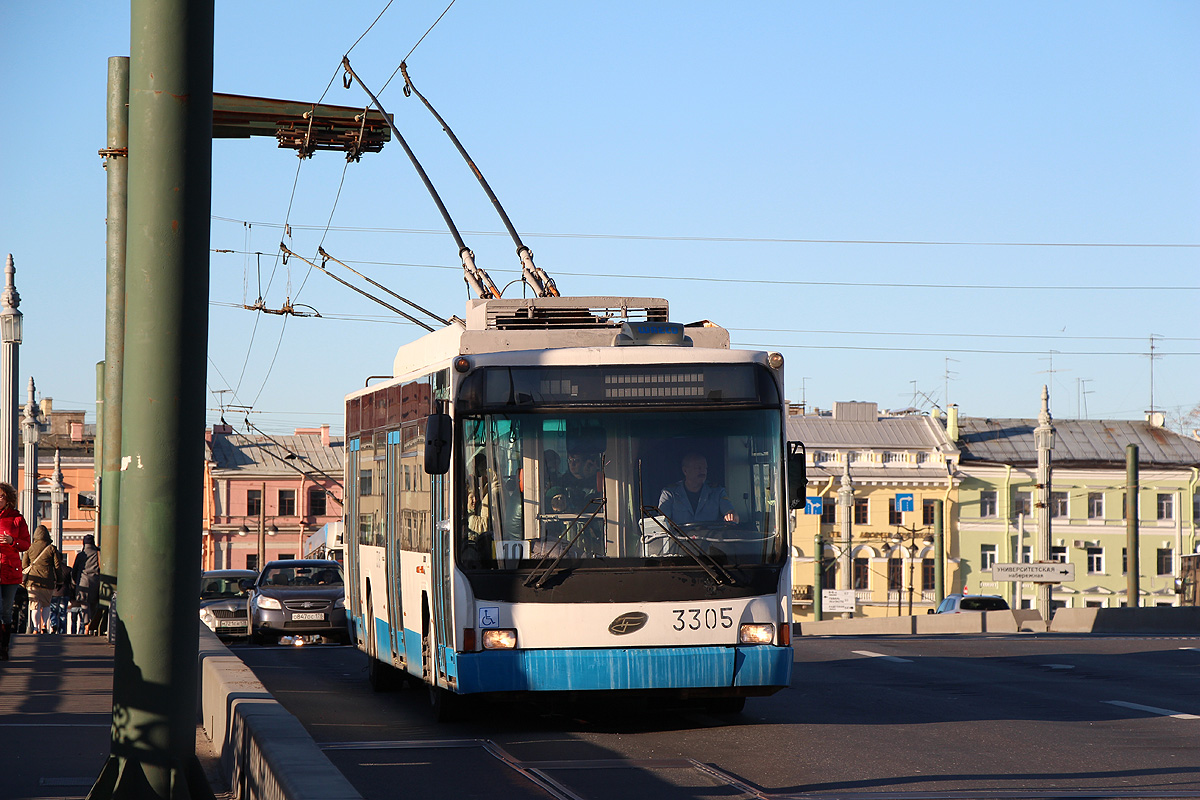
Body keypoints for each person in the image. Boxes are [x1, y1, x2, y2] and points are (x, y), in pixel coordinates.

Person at [657, 452, 740, 524]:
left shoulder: (717, 491)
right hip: (680, 537)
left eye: (705, 468)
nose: (703, 471)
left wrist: (732, 515)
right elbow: (662, 522)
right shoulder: (669, 493)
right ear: (685, 471)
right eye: (698, 468)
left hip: (710, 537)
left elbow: (730, 511)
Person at [0, 481, 31, 659]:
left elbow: (26, 544)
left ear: (8, 499)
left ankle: (4, 648)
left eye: (2, 496)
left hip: (11, 570)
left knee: (6, 611)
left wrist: (13, 541)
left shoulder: (17, 519)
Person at [21, 525, 61, 634]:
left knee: (35, 605)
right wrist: (60, 580)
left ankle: (35, 628)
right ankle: (44, 626)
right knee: (46, 604)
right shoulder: (51, 548)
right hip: (48, 581)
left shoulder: (30, 548)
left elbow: (24, 565)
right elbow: (57, 566)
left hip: (33, 581)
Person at [72, 534, 101, 635]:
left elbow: (74, 570)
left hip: (83, 582)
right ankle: (93, 626)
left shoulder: (81, 555)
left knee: (84, 605)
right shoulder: (98, 554)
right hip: (95, 582)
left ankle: (86, 624)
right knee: (93, 605)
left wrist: (75, 582)